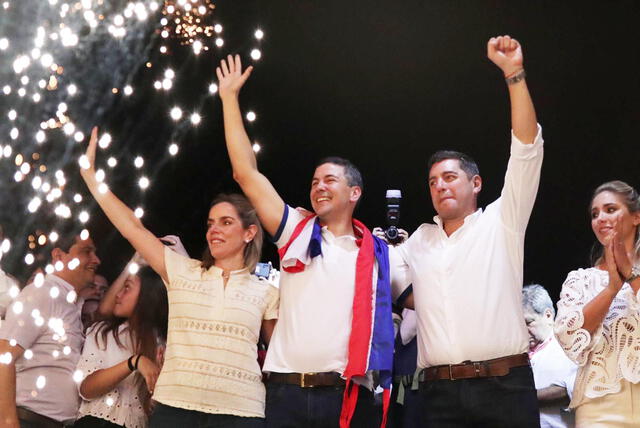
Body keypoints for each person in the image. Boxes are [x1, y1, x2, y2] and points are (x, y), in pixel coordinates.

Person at [217, 55, 395, 427]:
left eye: (330, 180)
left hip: (345, 397)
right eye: (314, 181)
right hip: (286, 396)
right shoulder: (295, 230)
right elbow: (245, 173)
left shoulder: (379, 253)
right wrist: (229, 99)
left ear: (355, 192)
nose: (319, 187)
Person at [389, 35, 543, 427]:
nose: (440, 185)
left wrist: (514, 74)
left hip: (504, 387)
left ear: (475, 184)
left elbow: (526, 147)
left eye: (450, 177)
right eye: (433, 181)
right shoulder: (418, 241)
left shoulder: (502, 220)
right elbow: (379, 278)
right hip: (437, 394)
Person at [79, 128, 278, 427]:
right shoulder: (183, 270)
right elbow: (133, 228)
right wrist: (91, 178)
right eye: (211, 223)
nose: (215, 230)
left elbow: (278, 356)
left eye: (226, 222)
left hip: (242, 411)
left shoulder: (266, 291)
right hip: (177, 407)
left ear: (249, 233)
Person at [555, 180, 640, 427]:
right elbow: (569, 338)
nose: (601, 218)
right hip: (600, 409)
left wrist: (632, 277)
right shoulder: (580, 280)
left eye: (610, 209)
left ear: (636, 217)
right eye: (595, 214)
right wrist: (612, 288)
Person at [0, 232, 100, 427]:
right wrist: (8, 421)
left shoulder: (68, 303)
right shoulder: (43, 293)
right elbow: (4, 355)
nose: (96, 260)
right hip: (27, 420)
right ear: (58, 256)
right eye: (86, 251)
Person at [75, 263, 168, 428]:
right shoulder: (103, 333)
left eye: (127, 288)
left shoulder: (164, 345)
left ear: (148, 296)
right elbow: (86, 389)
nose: (118, 294)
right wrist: (134, 362)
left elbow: (155, 411)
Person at [522, 284, 577, 428]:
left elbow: (569, 391)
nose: (522, 330)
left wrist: (519, 398)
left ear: (548, 315)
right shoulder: (518, 351)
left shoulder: (568, 347)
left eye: (528, 322)